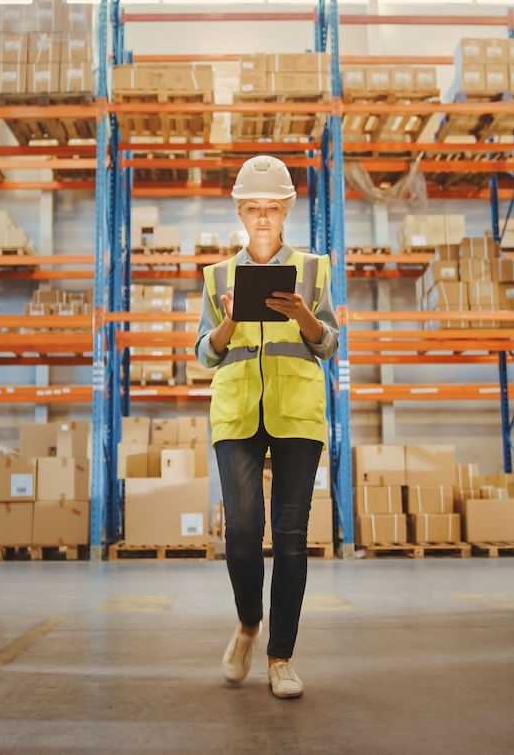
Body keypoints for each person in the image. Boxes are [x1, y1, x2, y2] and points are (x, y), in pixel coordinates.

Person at [195, 155, 340, 699]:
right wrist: (230, 321)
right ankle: (248, 625)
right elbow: (203, 353)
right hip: (237, 414)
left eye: (272, 209)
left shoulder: (314, 270)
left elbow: (328, 344)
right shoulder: (216, 277)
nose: (262, 218)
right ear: (239, 210)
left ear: (286, 212)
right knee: (240, 535)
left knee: (292, 539)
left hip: (297, 412)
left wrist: (304, 315)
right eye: (253, 208)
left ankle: (281, 657)